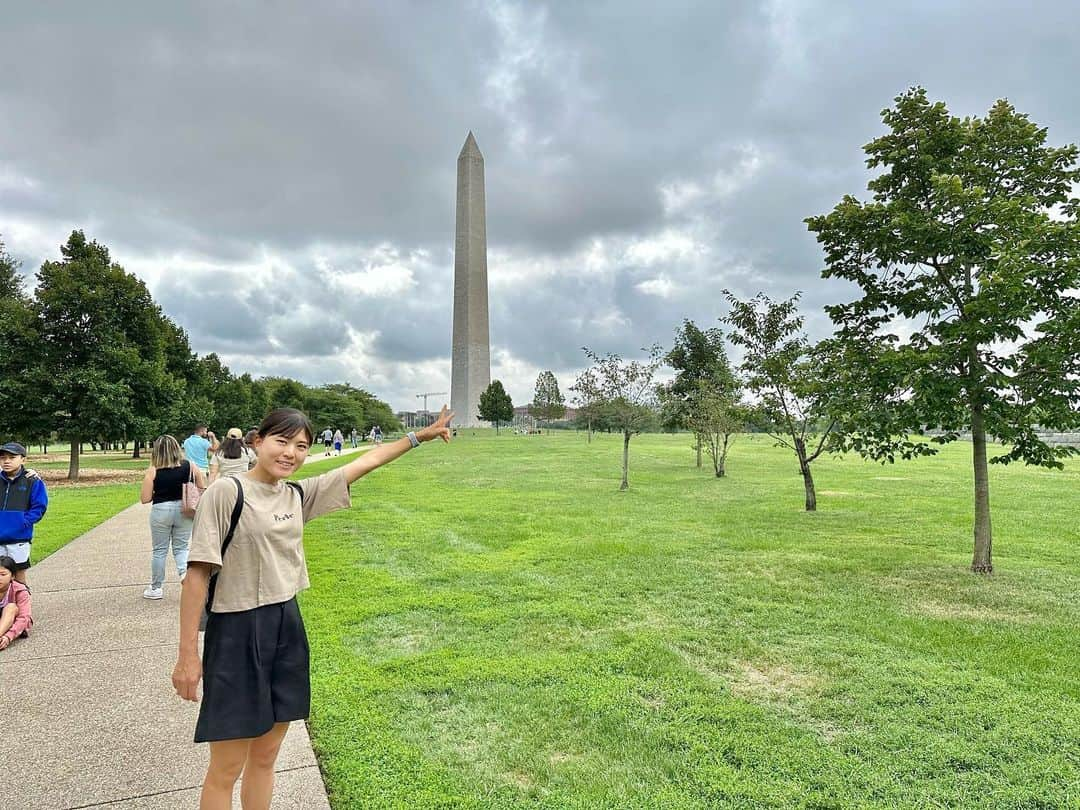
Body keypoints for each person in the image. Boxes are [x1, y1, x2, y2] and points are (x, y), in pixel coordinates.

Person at [172, 405, 453, 808]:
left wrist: (417, 438)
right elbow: (196, 576)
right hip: (235, 633)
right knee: (226, 767)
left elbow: (365, 462)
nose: (290, 453)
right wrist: (187, 656)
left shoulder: (297, 495)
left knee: (267, 757)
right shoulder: (226, 492)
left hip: (286, 626)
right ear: (257, 442)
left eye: (301, 446)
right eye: (281, 441)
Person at [140, 435, 206, 600]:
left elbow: (145, 498)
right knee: (182, 548)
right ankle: (184, 575)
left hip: (161, 509)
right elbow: (201, 487)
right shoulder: (190, 466)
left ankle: (156, 588)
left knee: (160, 550)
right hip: (185, 509)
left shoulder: (153, 470)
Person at [0, 441, 48, 588]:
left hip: (19, 539)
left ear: (23, 459)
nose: (6, 461)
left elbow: (39, 507)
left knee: (19, 577)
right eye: (3, 458)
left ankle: (23, 610)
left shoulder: (32, 481)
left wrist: (23, 522)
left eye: (12, 457)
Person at [0, 555, 32, 650]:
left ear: (12, 576)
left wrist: (8, 637)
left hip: (12, 624)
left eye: (3, 574)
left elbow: (24, 617)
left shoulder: (20, 590)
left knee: (11, 607)